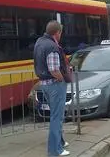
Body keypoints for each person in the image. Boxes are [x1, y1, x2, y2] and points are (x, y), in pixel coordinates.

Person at [33, 20, 71, 156]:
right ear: (57, 33)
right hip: (55, 85)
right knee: (57, 117)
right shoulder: (52, 47)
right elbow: (54, 70)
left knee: (55, 115)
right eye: (61, 33)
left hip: (44, 84)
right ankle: (55, 150)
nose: (61, 35)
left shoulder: (39, 42)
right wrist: (62, 79)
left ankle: (60, 142)